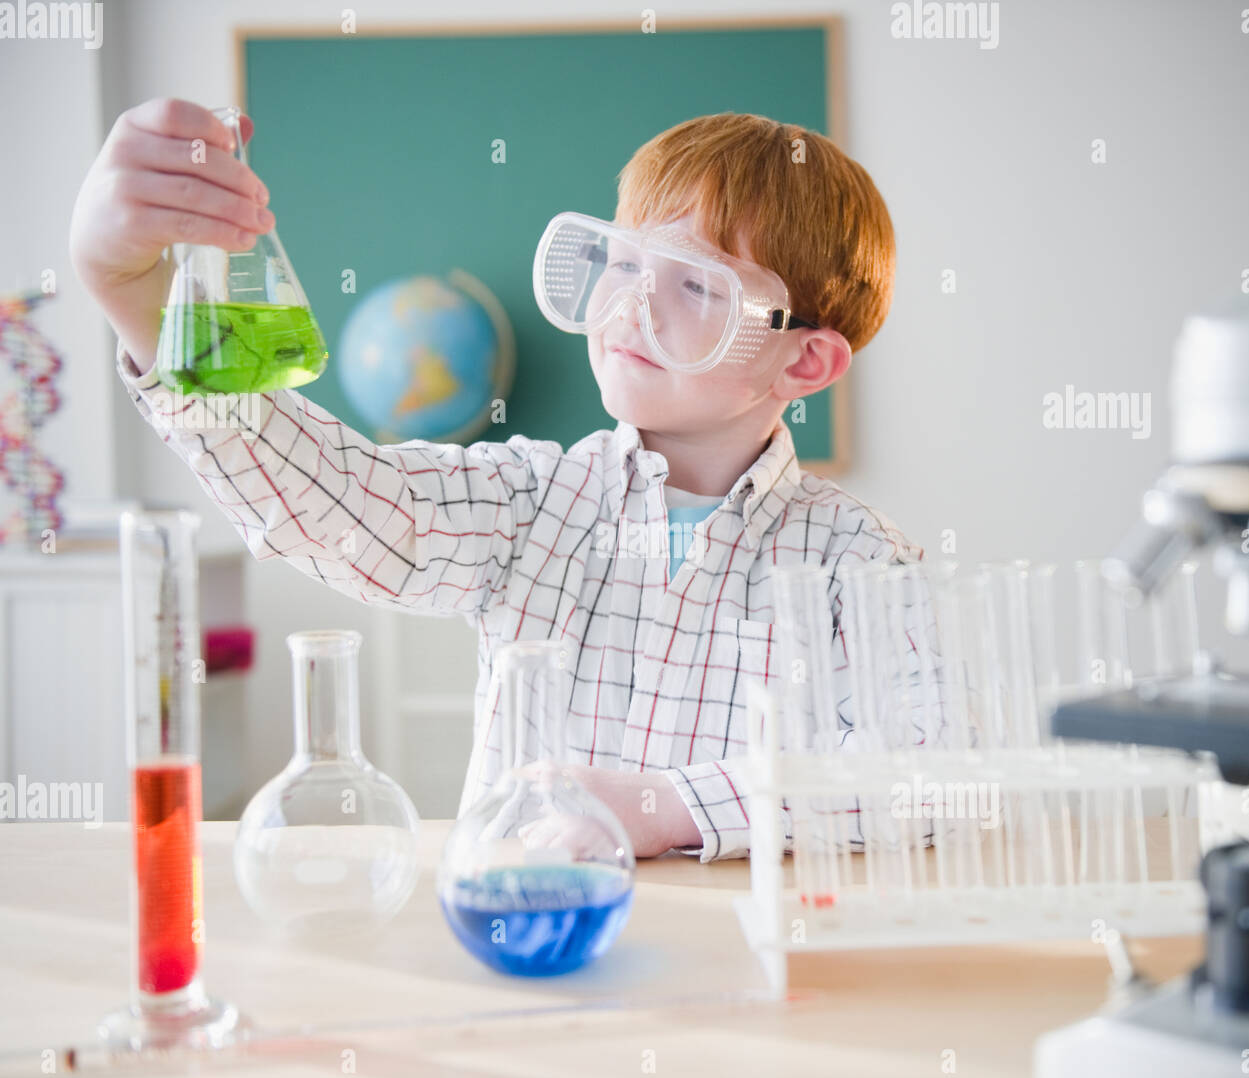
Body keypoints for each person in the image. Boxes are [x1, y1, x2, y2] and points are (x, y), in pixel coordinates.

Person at [70, 99, 933, 863]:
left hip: (748, 989)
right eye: (625, 263)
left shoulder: (860, 563)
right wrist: (137, 294)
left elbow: (927, 772)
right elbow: (328, 500)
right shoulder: (532, 501)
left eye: (698, 285)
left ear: (807, 359)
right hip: (531, 950)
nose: (632, 305)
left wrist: (666, 808)